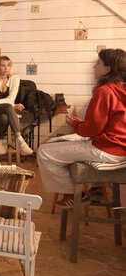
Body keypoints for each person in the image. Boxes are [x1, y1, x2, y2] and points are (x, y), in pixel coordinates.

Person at [37, 48, 126, 209]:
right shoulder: (122, 90)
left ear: (108, 68)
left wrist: (75, 124)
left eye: (98, 63)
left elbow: (92, 130)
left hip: (107, 149)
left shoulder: (105, 91)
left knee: (44, 152)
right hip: (121, 151)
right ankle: (90, 190)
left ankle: (74, 195)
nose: (94, 67)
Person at [0, 56, 33, 156]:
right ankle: (21, 142)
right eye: (3, 65)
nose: (6, 68)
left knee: (5, 117)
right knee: (8, 107)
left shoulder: (15, 78)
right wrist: (12, 105)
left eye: (8, 65)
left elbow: (10, 99)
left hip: (4, 108)